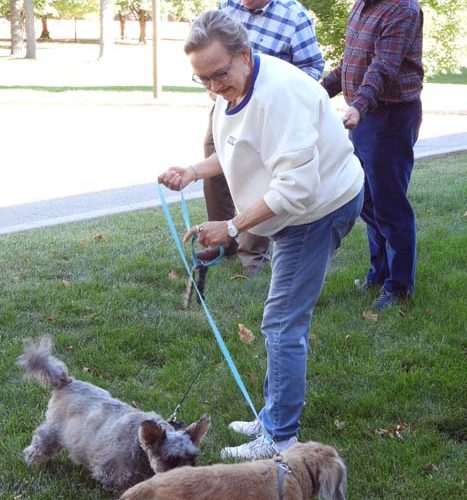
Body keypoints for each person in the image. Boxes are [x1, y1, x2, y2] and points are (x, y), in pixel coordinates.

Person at [158, 10, 364, 460]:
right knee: (279, 316)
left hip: (320, 208)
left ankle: (280, 436)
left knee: (283, 322)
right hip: (296, 209)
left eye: (219, 74)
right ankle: (273, 414)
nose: (213, 87)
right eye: (202, 79)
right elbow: (240, 151)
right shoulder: (234, 89)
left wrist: (232, 227)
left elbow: (296, 190)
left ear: (245, 56)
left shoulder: (280, 97)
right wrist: (193, 171)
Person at [198, 0, 325, 276]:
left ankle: (252, 255)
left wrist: (285, 96)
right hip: (228, 104)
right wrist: (214, 83)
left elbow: (312, 66)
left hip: (273, 115)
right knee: (218, 167)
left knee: (260, 178)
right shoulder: (227, 6)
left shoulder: (294, 15)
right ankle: (222, 241)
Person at [322, 0, 423, 310]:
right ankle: (380, 272)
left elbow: (383, 68)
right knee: (365, 197)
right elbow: (352, 61)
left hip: (390, 117)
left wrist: (358, 106)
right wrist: (316, 92)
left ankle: (399, 286)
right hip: (364, 116)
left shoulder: (402, 9)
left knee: (389, 205)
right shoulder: (362, 6)